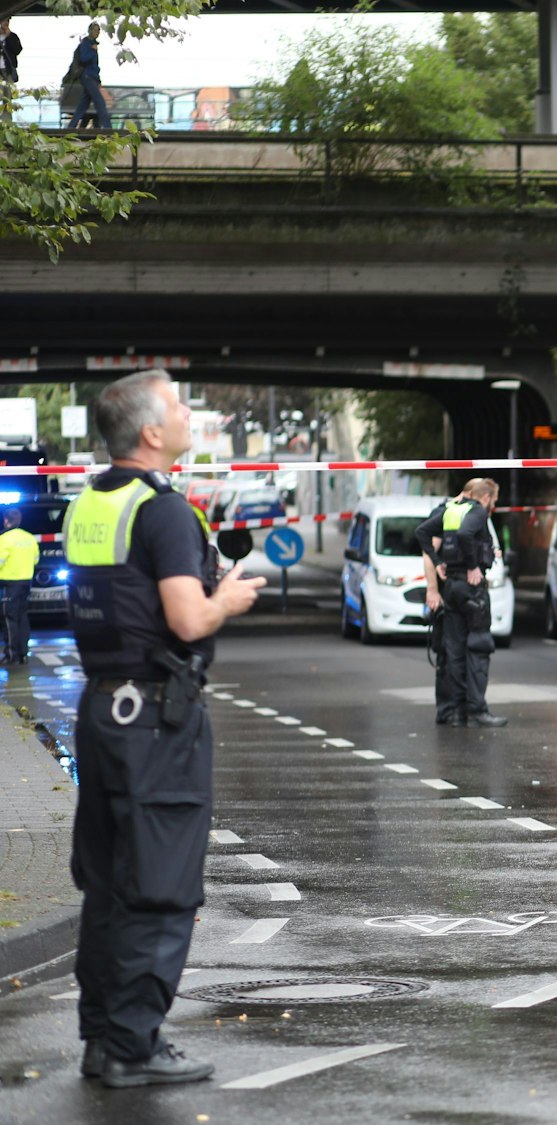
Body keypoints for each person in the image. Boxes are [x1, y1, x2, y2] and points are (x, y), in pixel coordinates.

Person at [64, 369, 264, 1087]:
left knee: (110, 881)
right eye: (179, 405)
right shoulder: (164, 509)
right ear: (151, 432)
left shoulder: (93, 500)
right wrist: (226, 599)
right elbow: (185, 619)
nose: (189, 414)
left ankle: (103, 1037)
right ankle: (132, 1046)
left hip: (102, 708)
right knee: (160, 881)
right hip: (155, 717)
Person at [419, 478, 506, 728]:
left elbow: (423, 534)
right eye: (493, 501)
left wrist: (439, 564)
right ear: (484, 497)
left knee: (453, 652)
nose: (492, 506)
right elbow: (463, 535)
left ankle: (455, 712)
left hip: (451, 589)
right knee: (478, 647)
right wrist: (472, 566)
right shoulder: (474, 512)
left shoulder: (448, 511)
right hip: (469, 589)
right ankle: (476, 711)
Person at [0, 507, 37, 663]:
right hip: (26, 582)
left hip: (9, 583)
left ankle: (11, 654)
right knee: (22, 617)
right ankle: (23, 653)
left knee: (9, 618)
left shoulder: (4, 539)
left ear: (6, 521)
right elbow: (36, 559)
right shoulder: (29, 538)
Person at [65, 22, 106, 131]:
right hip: (87, 75)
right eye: (95, 30)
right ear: (90, 31)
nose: (97, 32)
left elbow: (95, 65)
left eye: (99, 30)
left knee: (83, 105)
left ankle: (71, 127)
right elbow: (84, 59)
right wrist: (92, 51)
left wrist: (98, 79)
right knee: (99, 102)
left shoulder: (93, 44)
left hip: (93, 76)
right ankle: (108, 128)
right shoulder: (86, 43)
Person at [1, 18, 22, 124]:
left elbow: (17, 50)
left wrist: (9, 35)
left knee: (8, 97)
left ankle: (7, 123)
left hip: (8, 71)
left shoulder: (12, 36)